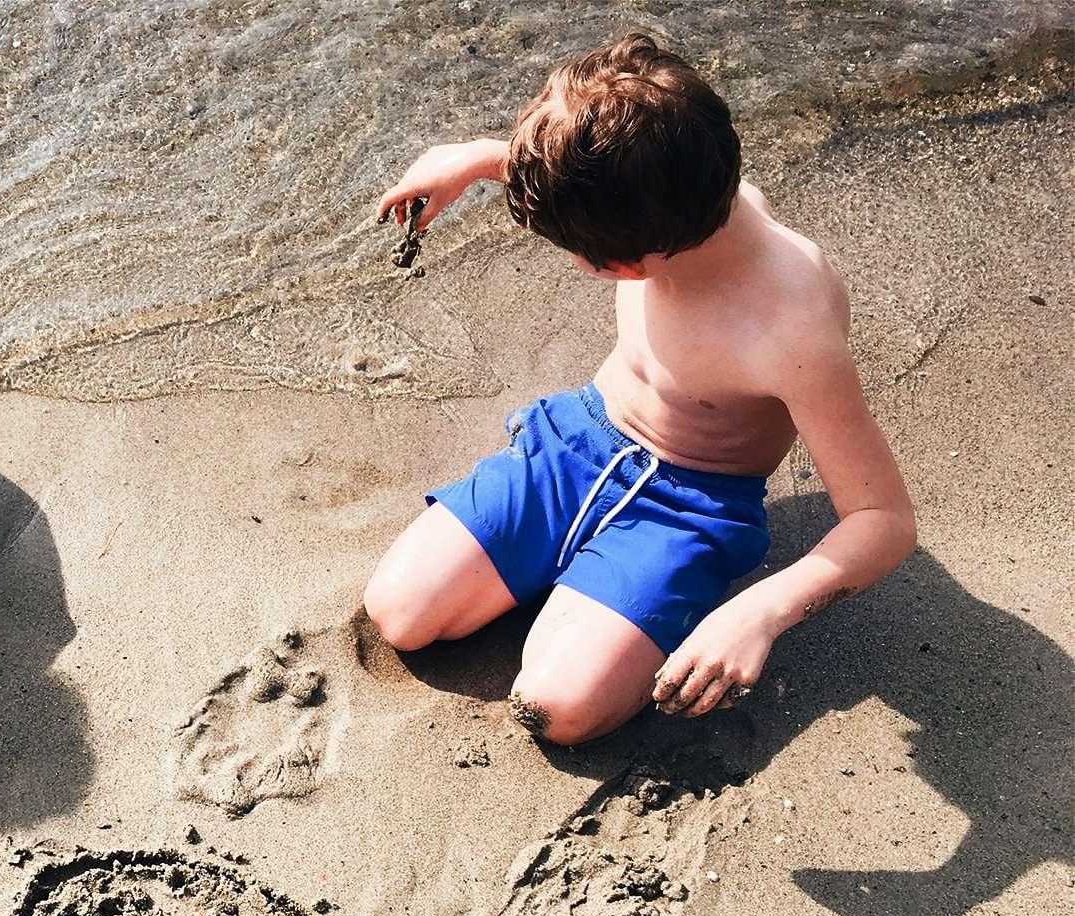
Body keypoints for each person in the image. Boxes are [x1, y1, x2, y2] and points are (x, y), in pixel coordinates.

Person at [364, 35, 916, 745]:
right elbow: (609, 163)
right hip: (578, 441)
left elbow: (883, 520)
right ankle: (583, 589)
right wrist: (475, 159)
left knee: (557, 708)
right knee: (399, 612)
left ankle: (632, 599)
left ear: (624, 264)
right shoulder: (682, 182)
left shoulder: (792, 331)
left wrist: (761, 612)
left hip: (689, 505)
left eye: (576, 251)